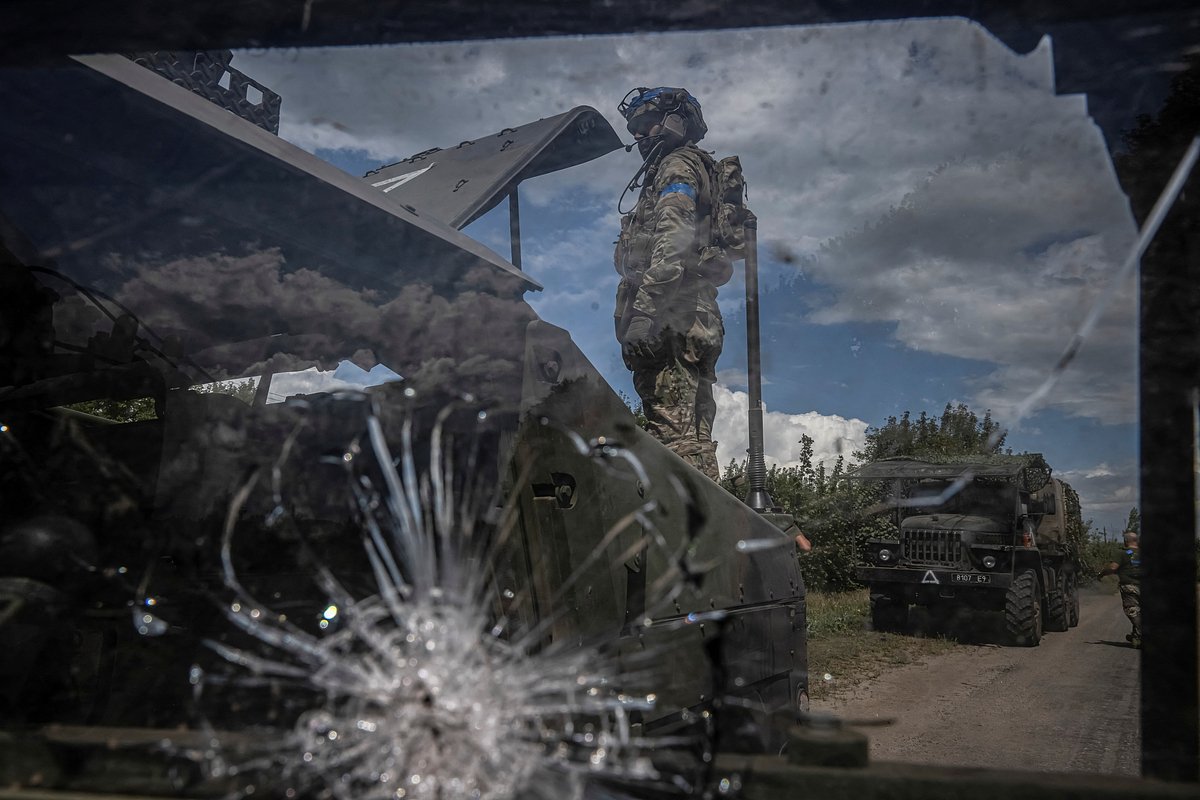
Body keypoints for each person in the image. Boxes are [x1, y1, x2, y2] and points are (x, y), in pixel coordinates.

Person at [613, 87, 733, 482]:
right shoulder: (699, 168)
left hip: (671, 315)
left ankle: (693, 537)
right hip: (696, 313)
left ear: (674, 123)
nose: (638, 138)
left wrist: (645, 311)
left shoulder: (677, 166)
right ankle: (715, 532)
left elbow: (673, 240)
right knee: (693, 439)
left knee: (674, 443)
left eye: (644, 126)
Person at [1097, 530, 1142, 647]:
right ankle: (1136, 637)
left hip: (1129, 586)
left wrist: (1102, 574)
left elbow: (1113, 567)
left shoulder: (1123, 553)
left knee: (1132, 611)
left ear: (1126, 541)